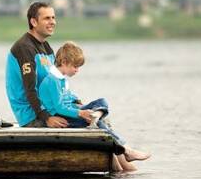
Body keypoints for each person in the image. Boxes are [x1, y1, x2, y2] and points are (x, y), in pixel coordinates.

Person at [38, 41, 151, 171]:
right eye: (75, 66)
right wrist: (80, 113)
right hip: (61, 116)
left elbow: (68, 98)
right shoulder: (52, 80)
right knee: (100, 126)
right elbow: (59, 107)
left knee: (102, 101)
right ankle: (126, 149)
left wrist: (81, 106)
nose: (77, 70)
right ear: (64, 62)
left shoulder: (61, 78)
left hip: (71, 110)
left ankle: (94, 117)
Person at [5, 1, 69, 128]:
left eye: (53, 18)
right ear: (33, 22)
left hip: (49, 109)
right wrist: (47, 118)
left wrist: (74, 103)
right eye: (47, 18)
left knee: (95, 109)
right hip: (32, 116)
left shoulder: (45, 46)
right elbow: (30, 90)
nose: (52, 22)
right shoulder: (24, 48)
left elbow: (58, 81)